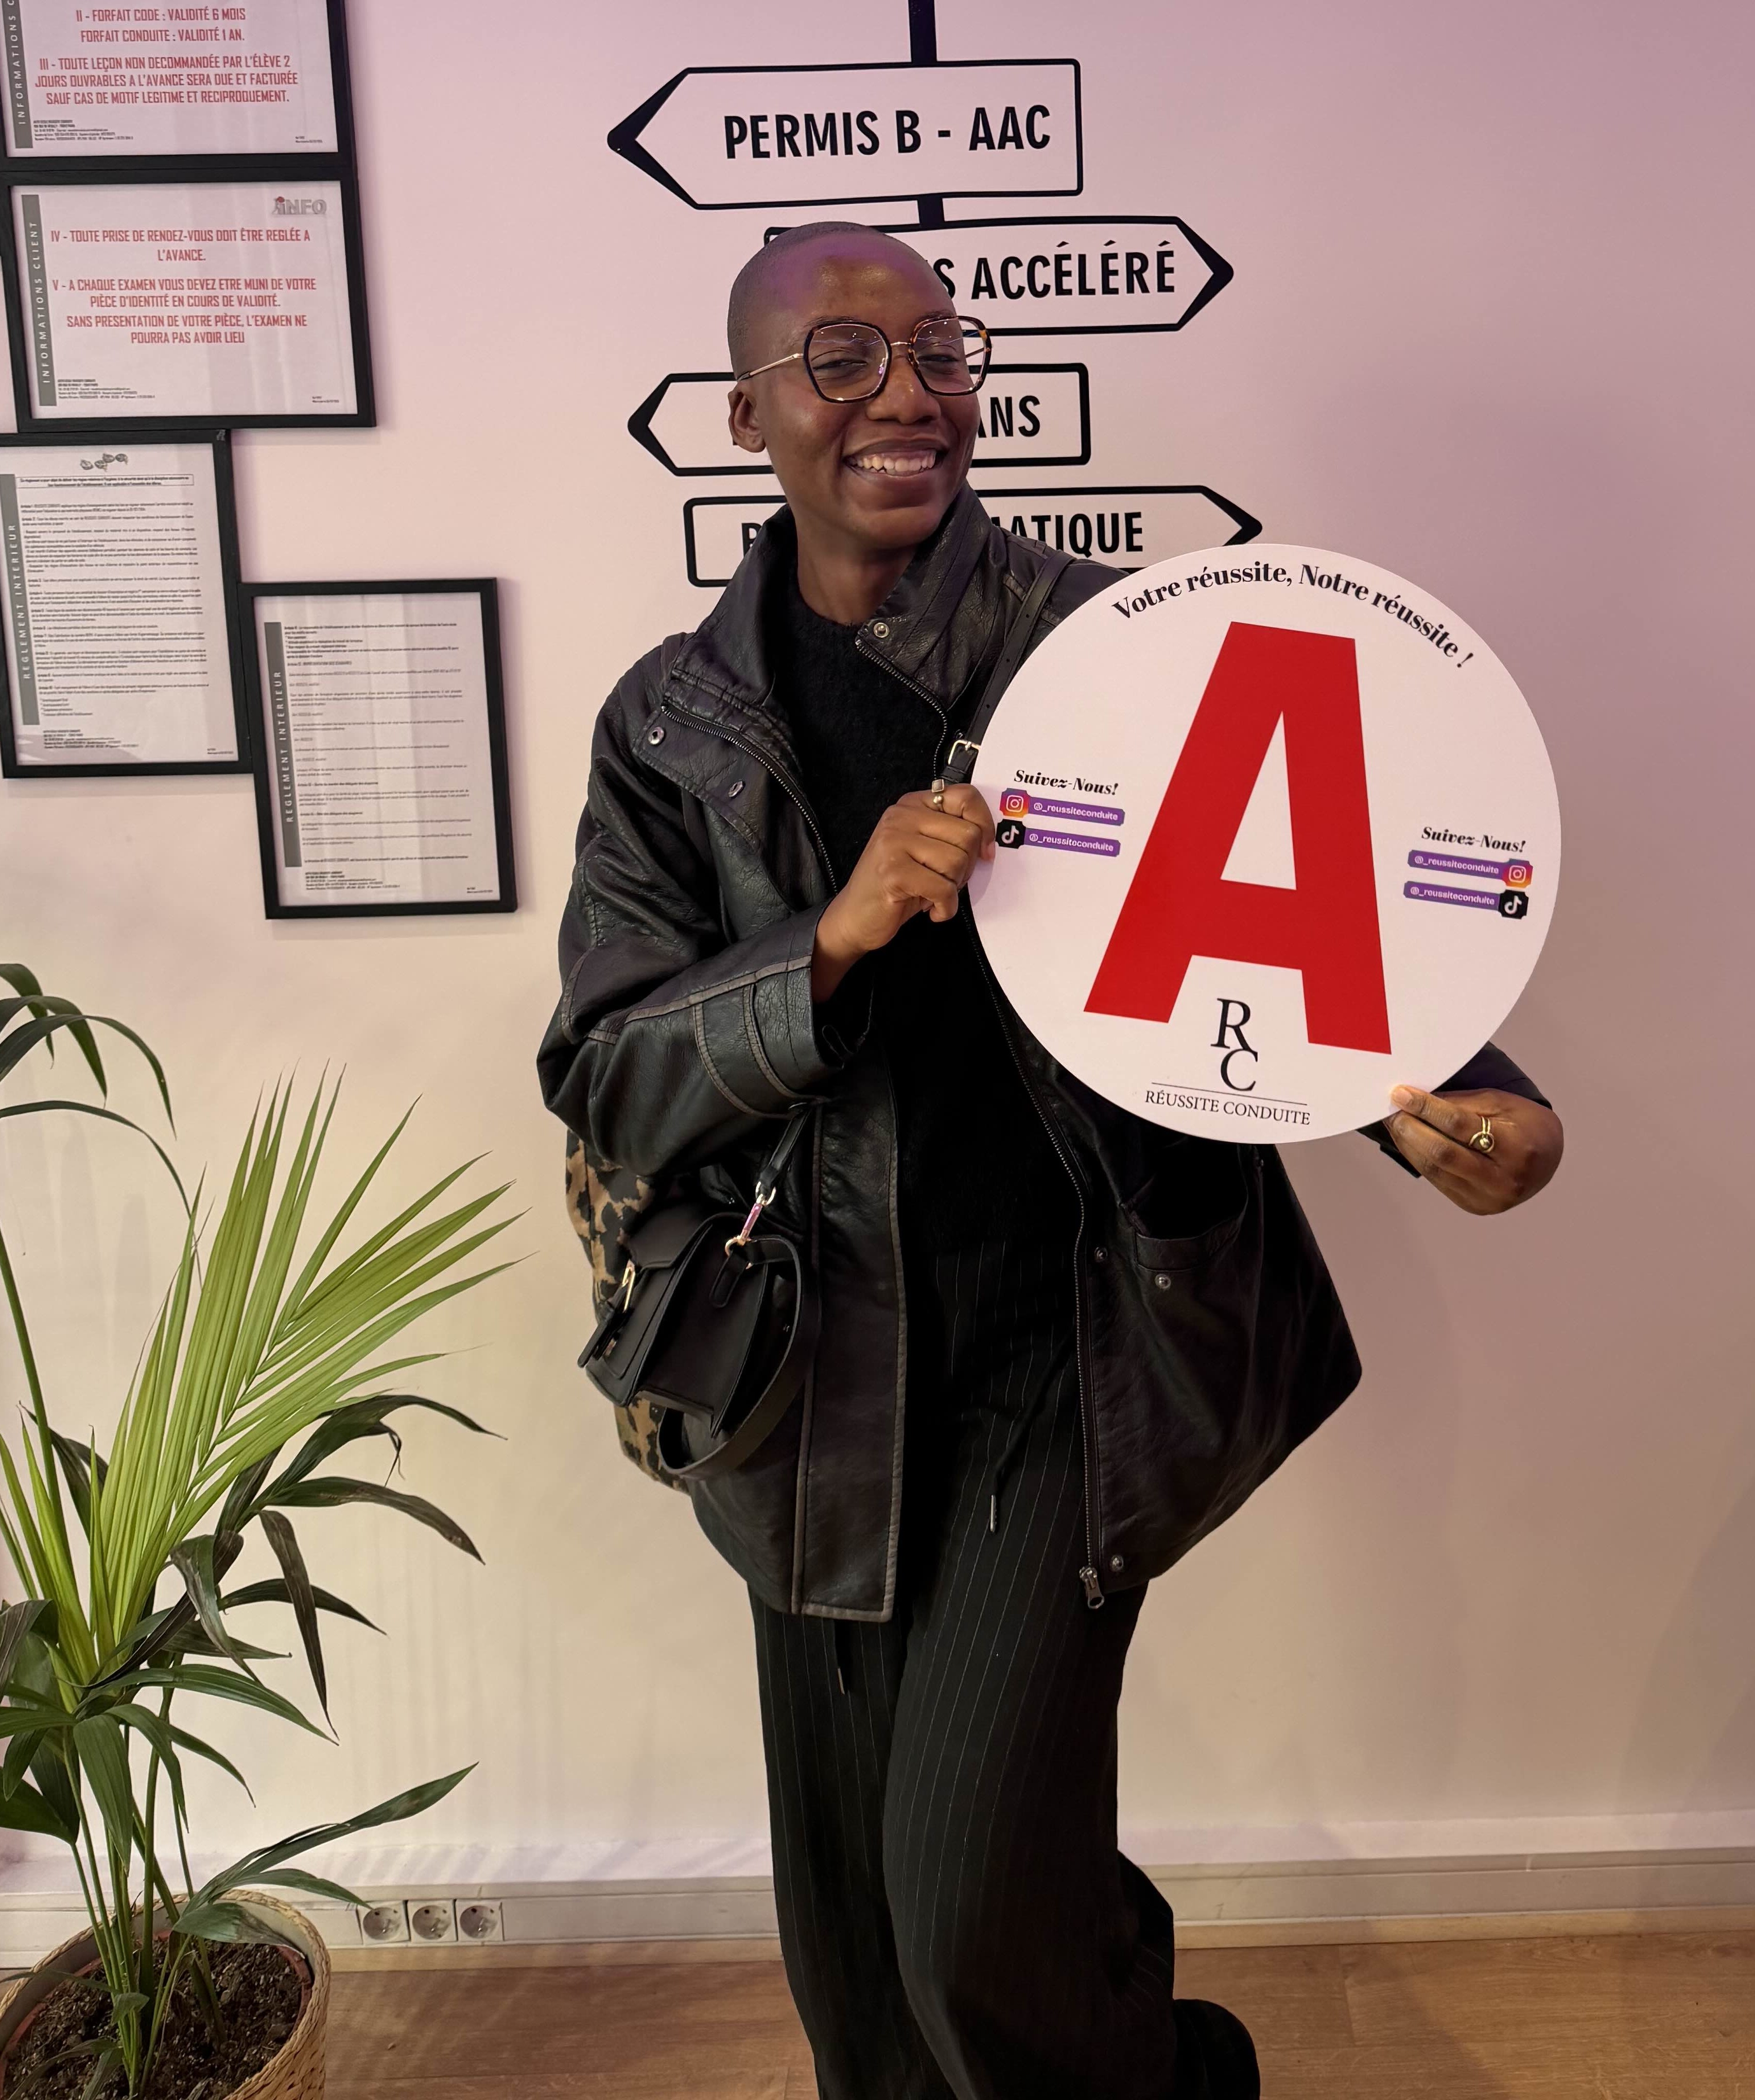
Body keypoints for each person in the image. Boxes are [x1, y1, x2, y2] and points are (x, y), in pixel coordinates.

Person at [540, 220, 1565, 2100]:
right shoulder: (670, 726)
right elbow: (608, 1079)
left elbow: (1288, 919)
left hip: (1066, 1352)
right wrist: (831, 940)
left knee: (972, 1929)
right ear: (746, 412)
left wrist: (1463, 1109)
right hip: (798, 1385)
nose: (909, 396)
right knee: (856, 1969)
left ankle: (1172, 2071)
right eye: (843, 359)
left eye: (940, 348)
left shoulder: (1122, 652)